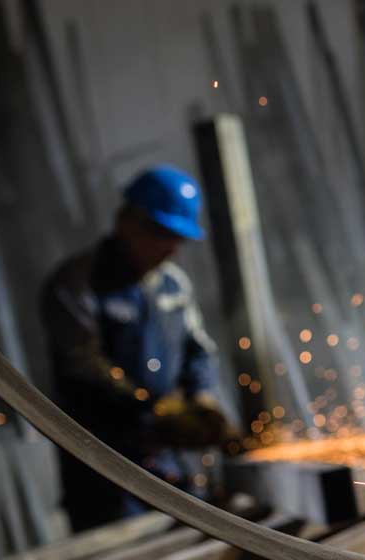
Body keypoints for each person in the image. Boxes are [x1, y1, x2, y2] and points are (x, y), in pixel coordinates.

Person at [42, 165, 235, 531]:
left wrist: (202, 398)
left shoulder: (173, 286)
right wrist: (153, 407)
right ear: (127, 221)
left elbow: (197, 350)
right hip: (103, 466)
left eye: (177, 238)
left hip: (168, 461)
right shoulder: (77, 283)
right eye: (162, 234)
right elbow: (84, 365)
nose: (171, 248)